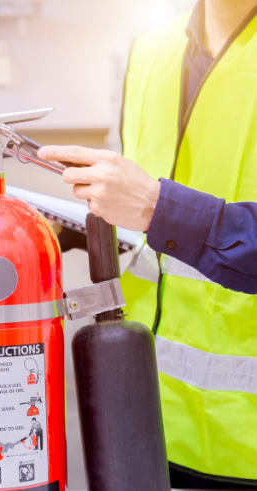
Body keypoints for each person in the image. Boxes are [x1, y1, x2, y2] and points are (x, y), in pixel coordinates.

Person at [40, 1, 257, 488]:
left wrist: (160, 208)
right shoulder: (144, 52)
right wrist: (65, 224)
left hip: (248, 450)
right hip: (147, 418)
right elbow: (144, 226)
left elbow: (157, 207)